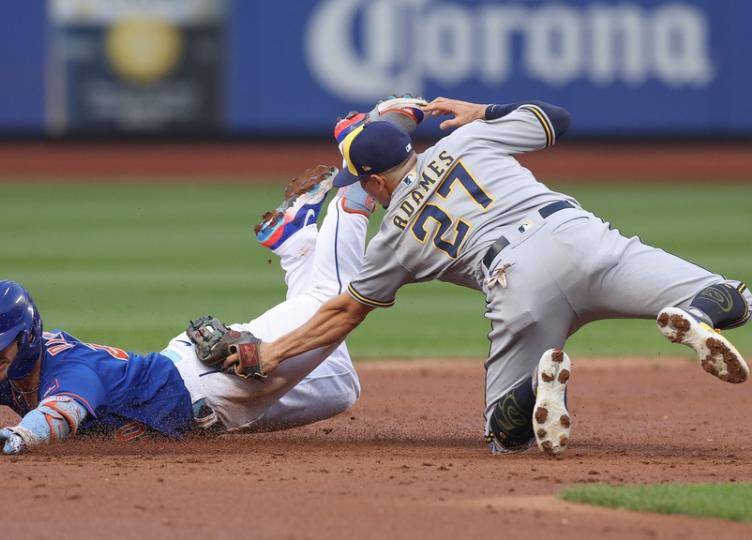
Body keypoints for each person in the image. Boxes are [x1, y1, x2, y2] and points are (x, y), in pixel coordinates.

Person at [233, 96, 750, 457]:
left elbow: (344, 312)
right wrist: (478, 111)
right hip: (579, 236)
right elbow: (555, 118)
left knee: (506, 437)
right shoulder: (464, 143)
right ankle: (695, 313)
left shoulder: (392, 238)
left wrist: (273, 353)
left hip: (516, 282)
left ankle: (533, 389)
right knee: (733, 298)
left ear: (371, 181)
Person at [0, 165, 376, 454]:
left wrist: (21, 436)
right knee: (341, 387)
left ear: (26, 338)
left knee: (327, 305)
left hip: (218, 382)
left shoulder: (69, 369)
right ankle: (297, 243)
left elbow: (63, 414)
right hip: (201, 391)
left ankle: (352, 186)